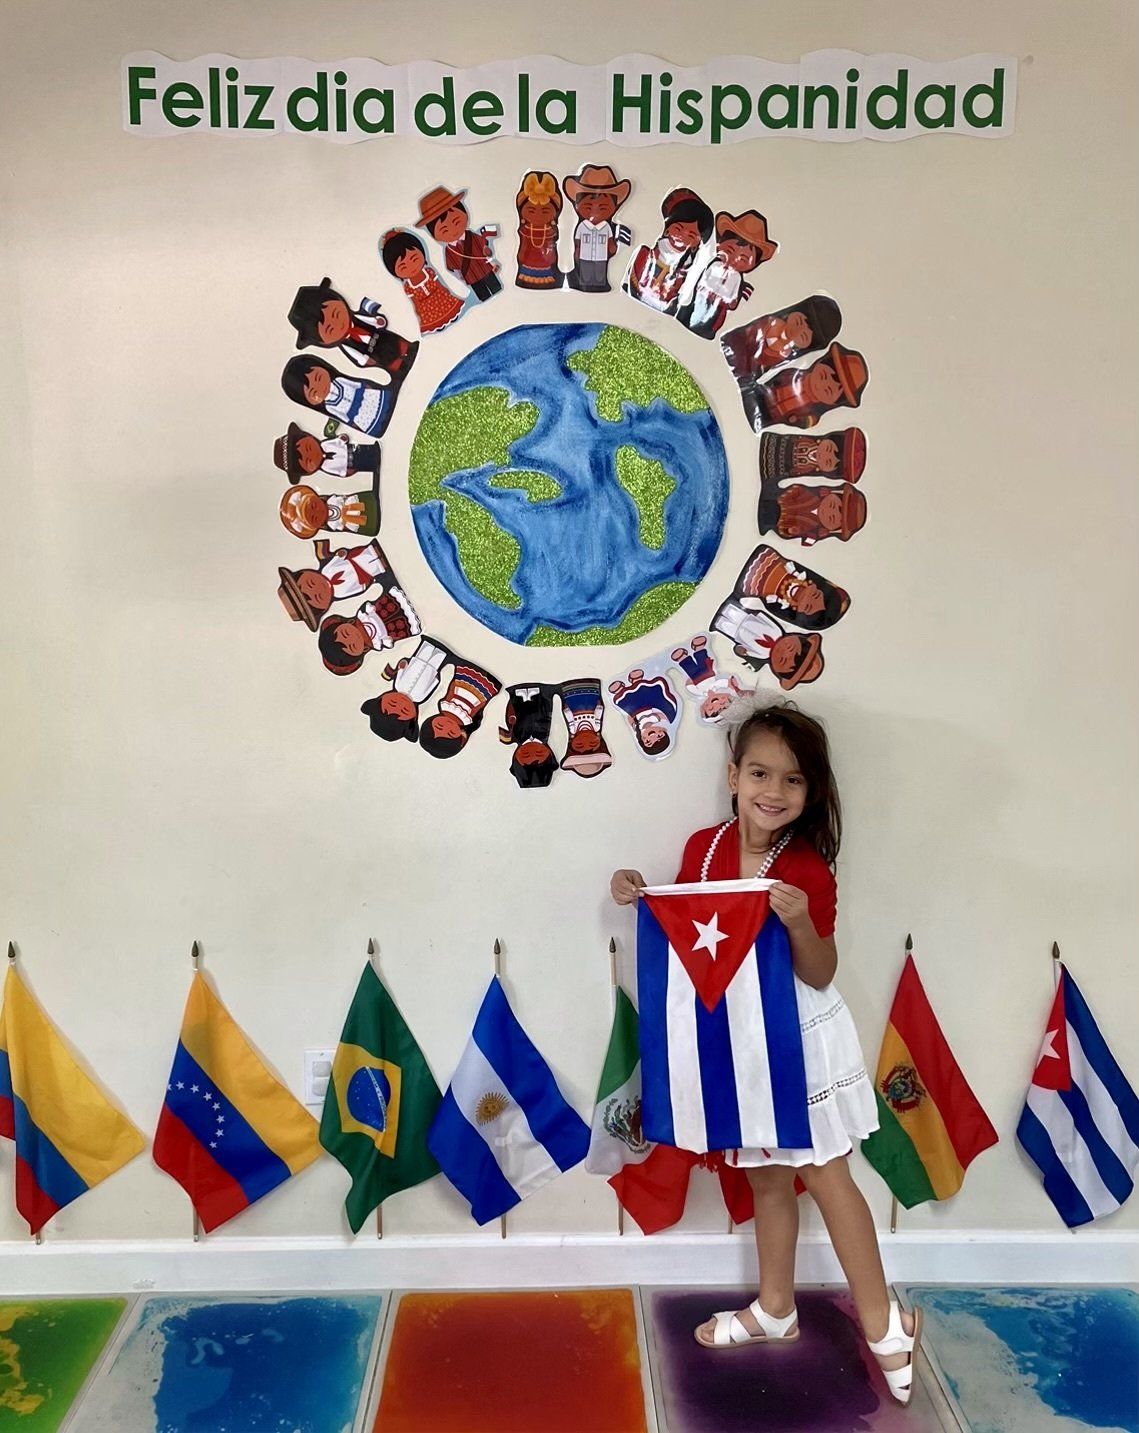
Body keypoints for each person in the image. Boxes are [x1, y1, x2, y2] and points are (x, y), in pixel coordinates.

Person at [608, 701, 921, 1405]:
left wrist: (802, 922)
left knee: (823, 1170)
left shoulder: (806, 865)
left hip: (796, 1035)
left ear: (811, 792)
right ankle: (774, 1305)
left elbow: (818, 971)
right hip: (737, 1033)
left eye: (792, 780)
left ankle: (884, 1322)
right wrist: (636, 889)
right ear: (732, 774)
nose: (773, 791)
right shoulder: (704, 848)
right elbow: (689, 932)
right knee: (768, 1176)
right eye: (759, 772)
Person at [379, 229, 465, 335]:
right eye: (403, 267)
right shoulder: (408, 286)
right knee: (436, 326)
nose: (411, 267)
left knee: (452, 314)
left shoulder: (428, 272)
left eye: (414, 259)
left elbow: (439, 284)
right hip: (427, 309)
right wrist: (418, 311)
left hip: (441, 299)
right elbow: (415, 300)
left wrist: (446, 291)